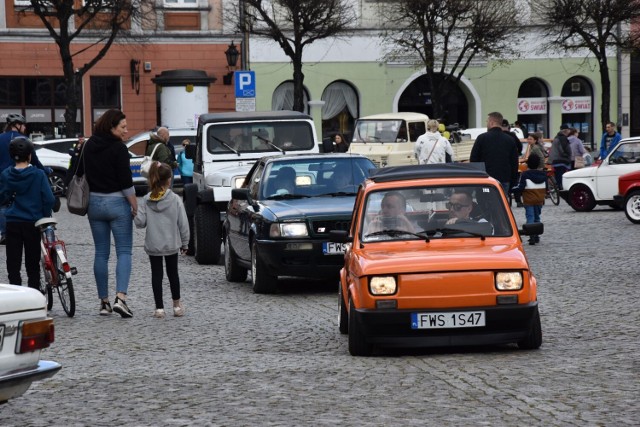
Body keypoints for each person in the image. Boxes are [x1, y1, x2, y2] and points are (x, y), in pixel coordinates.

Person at [77, 109, 138, 318]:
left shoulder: (89, 145)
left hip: (94, 203)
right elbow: (125, 181)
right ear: (111, 127)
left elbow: (80, 172)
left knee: (101, 253)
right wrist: (134, 204)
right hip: (117, 203)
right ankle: (121, 298)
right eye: (123, 127)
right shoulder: (118, 149)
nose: (126, 131)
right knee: (124, 251)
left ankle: (103, 302)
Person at [134, 162, 189, 318]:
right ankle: (177, 306)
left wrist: (134, 212)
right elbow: (183, 223)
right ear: (169, 179)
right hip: (171, 243)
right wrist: (185, 242)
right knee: (173, 274)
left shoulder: (146, 200)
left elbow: (140, 223)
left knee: (156, 275)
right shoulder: (175, 199)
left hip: (154, 244)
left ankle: (159, 308)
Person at [0, 137, 55, 290]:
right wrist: (43, 214)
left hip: (12, 222)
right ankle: (34, 294)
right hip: (33, 222)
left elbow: (2, 196)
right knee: (33, 263)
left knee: (13, 262)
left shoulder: (6, 174)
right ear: (30, 155)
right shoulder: (38, 174)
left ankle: (16, 292)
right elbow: (49, 198)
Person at [0, 114, 51, 243]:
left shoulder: (0, 138)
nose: (24, 127)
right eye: (23, 125)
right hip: (23, 173)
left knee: (3, 204)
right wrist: (44, 170)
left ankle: (5, 233)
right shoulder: (23, 140)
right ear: (17, 125)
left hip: (4, 177)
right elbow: (34, 161)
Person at [469, 112, 519, 195]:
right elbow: (514, 162)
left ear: (492, 122)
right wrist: (513, 181)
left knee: (484, 204)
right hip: (504, 179)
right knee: (501, 206)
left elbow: (474, 159)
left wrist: (476, 177)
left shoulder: (482, 138)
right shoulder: (510, 140)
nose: (487, 124)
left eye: (487, 121)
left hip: (485, 179)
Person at [510, 154, 546, 245]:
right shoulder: (543, 174)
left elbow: (521, 187)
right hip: (539, 199)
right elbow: (547, 188)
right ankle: (537, 235)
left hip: (529, 199)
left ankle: (532, 236)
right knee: (537, 217)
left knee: (530, 217)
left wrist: (511, 190)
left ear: (528, 163)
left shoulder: (525, 174)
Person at [548, 124, 572, 190]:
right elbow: (565, 149)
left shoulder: (557, 137)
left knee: (558, 175)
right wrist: (568, 156)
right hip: (561, 160)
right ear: (566, 131)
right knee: (562, 175)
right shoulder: (562, 138)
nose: (569, 131)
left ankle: (559, 187)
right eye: (568, 130)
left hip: (556, 160)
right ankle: (561, 188)